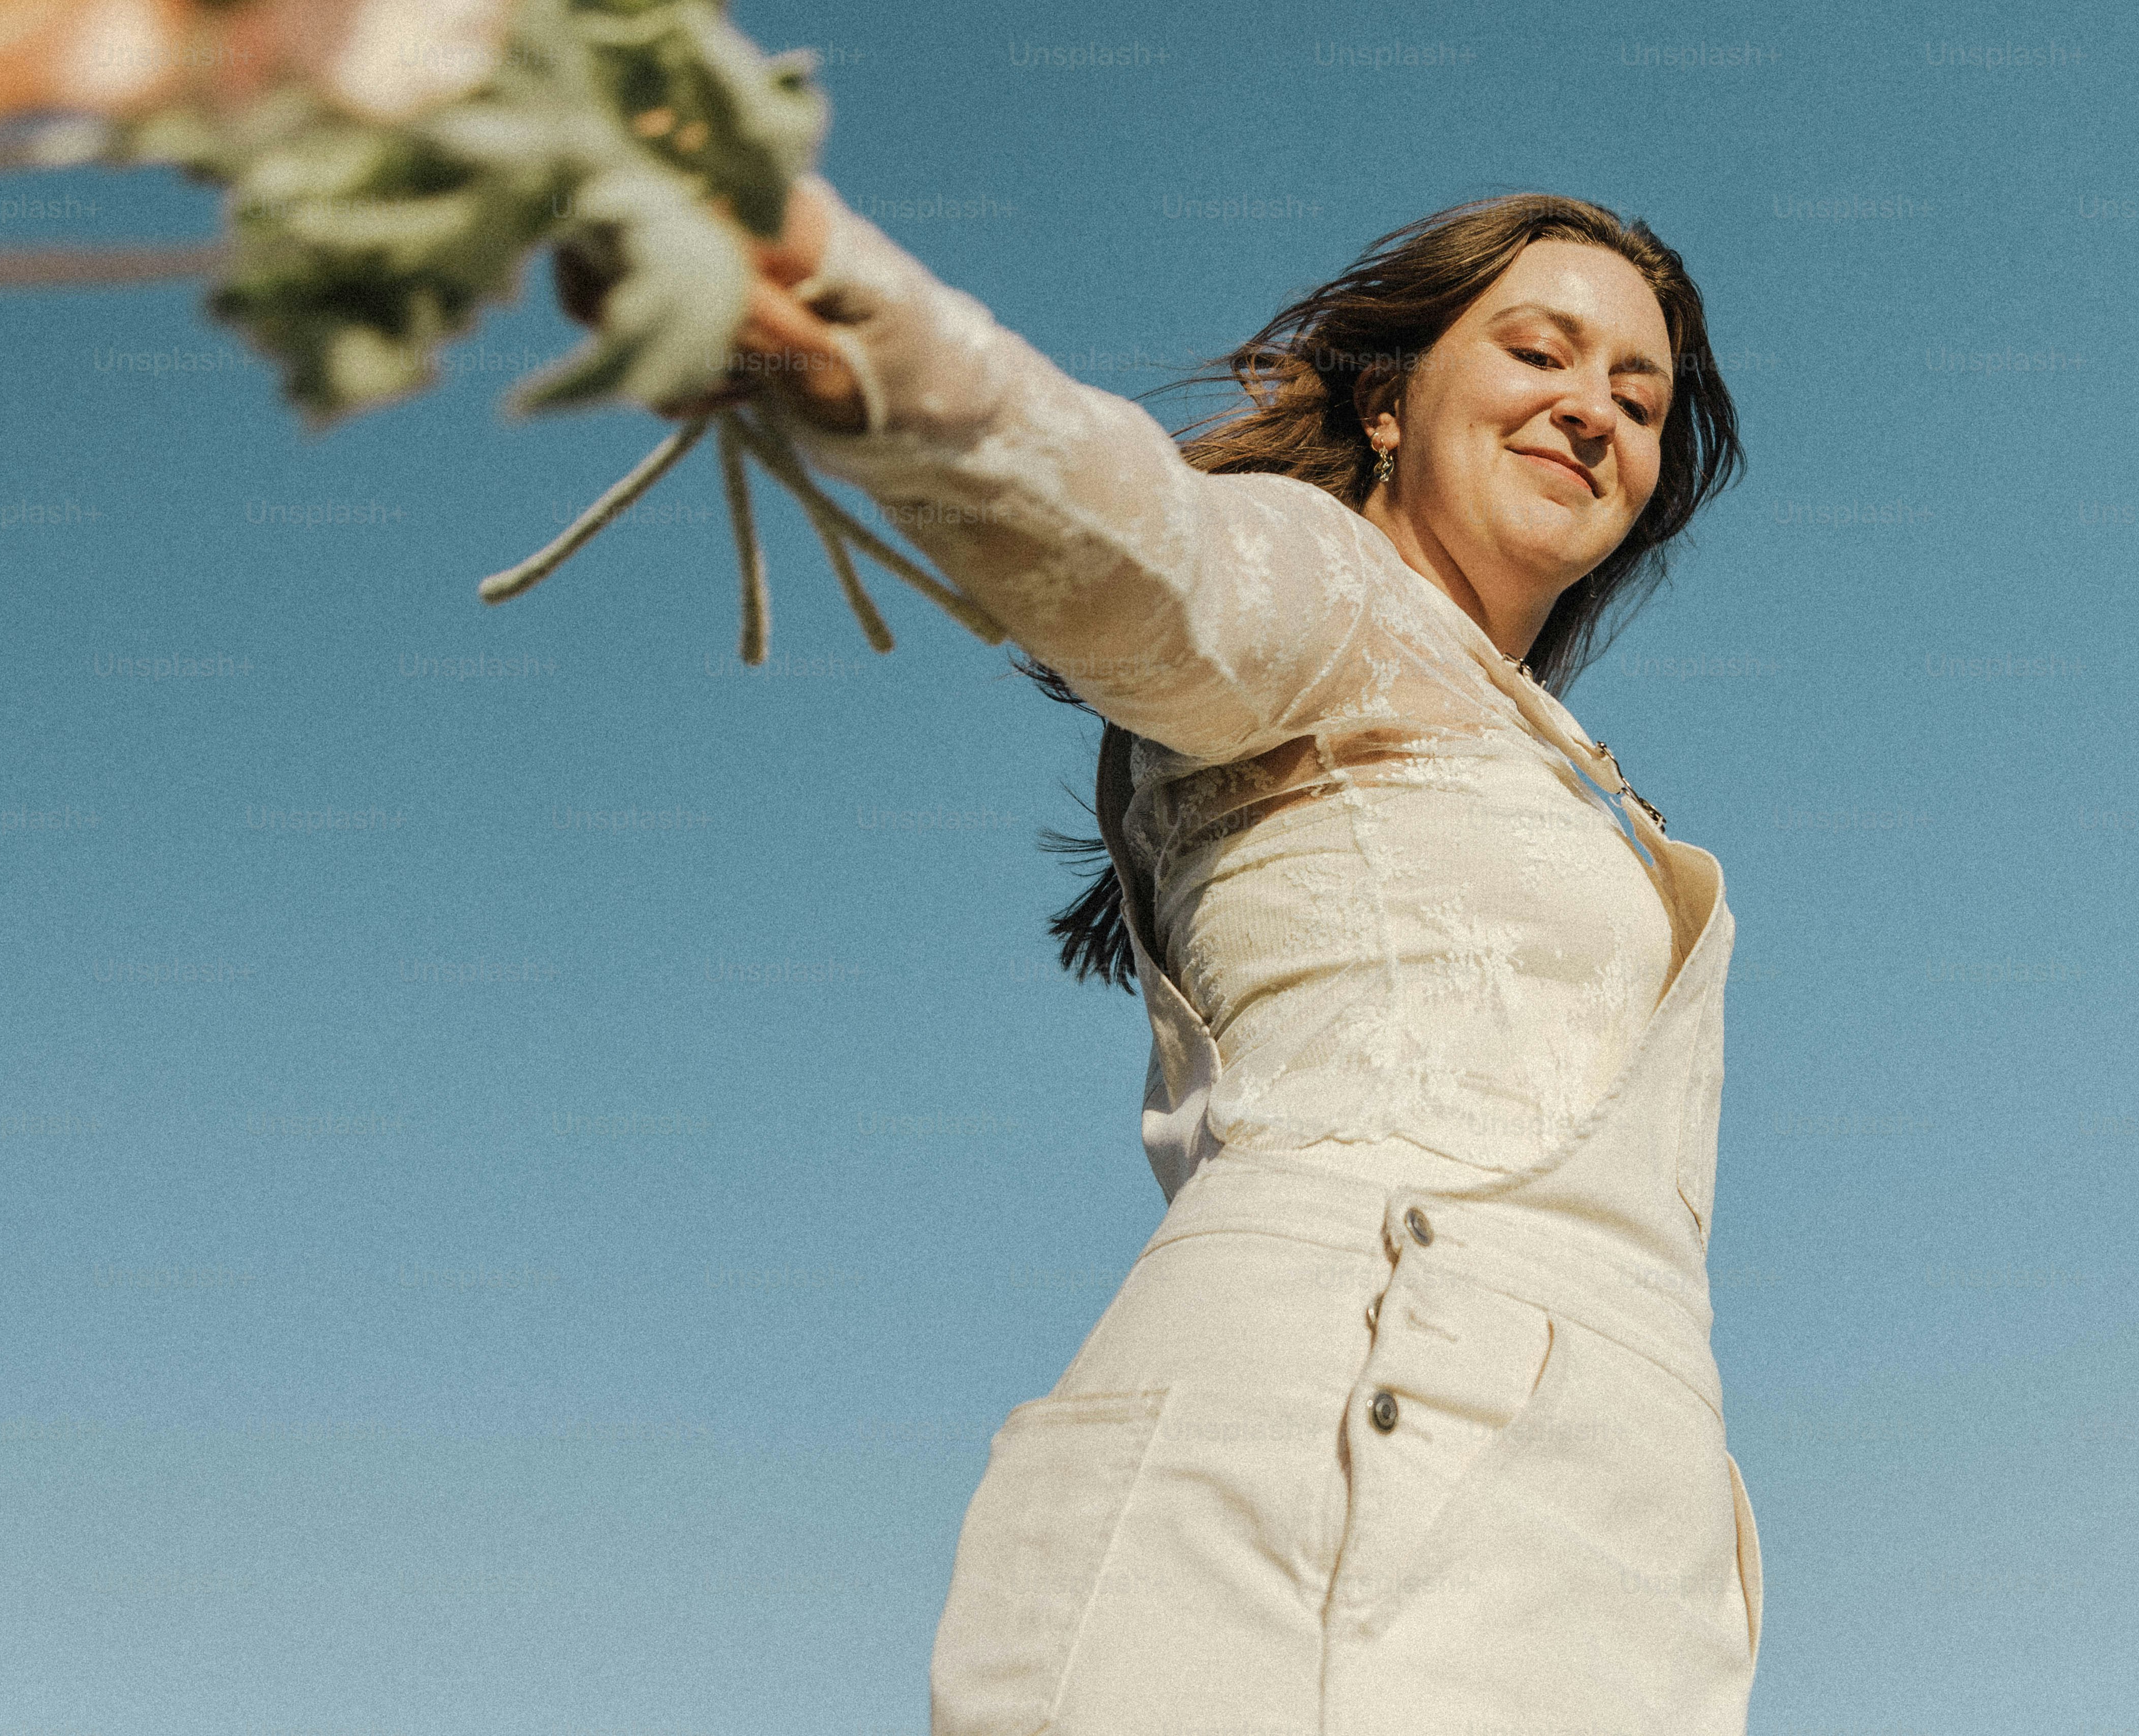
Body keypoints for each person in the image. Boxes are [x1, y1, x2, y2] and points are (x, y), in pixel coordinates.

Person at [683, 170, 1759, 1734]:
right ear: (1390, 400)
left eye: (1638, 395)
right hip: (1329, 1477)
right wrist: (870, 349)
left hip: (1596, 1567)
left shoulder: (1562, 761)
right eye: (1539, 353)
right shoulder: (1329, 595)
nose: (1591, 409)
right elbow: (1144, 552)